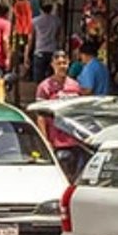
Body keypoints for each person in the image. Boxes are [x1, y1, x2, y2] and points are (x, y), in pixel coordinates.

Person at [36, 51, 83, 179]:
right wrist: (45, 141)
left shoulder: (75, 86)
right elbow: (41, 116)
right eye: (58, 63)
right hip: (57, 141)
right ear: (52, 65)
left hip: (74, 139)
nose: (62, 66)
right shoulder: (44, 87)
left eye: (64, 63)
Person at [29, 4, 62, 83]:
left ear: (41, 9)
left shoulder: (35, 21)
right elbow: (58, 36)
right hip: (52, 50)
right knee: (51, 77)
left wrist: (28, 52)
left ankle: (41, 92)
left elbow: (31, 38)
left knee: (39, 78)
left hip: (39, 51)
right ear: (51, 9)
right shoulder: (57, 20)